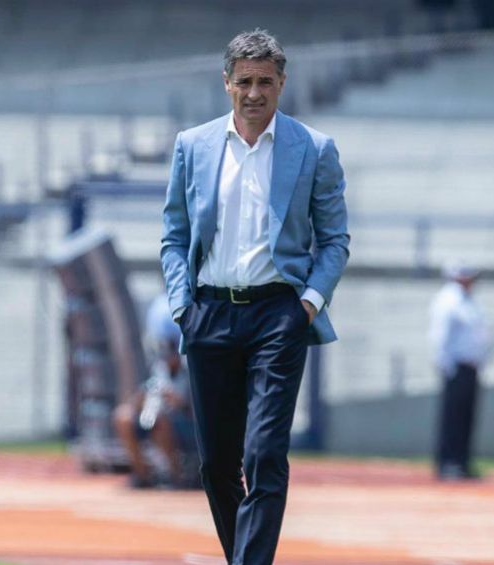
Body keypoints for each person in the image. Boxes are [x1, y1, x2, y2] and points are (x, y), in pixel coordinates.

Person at [160, 29, 349, 565]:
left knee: (264, 453)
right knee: (216, 464)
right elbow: (174, 235)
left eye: (266, 81)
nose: (254, 92)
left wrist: (308, 303)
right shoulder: (191, 147)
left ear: (282, 84)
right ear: (226, 84)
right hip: (209, 312)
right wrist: (182, 306)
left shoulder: (313, 149)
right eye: (244, 81)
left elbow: (334, 239)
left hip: (278, 315)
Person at [113, 293, 195, 489]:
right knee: (123, 417)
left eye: (171, 346)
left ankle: (176, 477)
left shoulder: (192, 366)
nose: (167, 352)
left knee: (161, 422)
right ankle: (142, 476)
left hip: (186, 424)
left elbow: (197, 407)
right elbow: (146, 393)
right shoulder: (158, 364)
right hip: (157, 418)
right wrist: (140, 401)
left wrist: (178, 401)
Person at [429, 263, 489, 480]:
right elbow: (440, 336)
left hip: (471, 367)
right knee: (452, 417)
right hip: (456, 367)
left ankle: (462, 462)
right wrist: (446, 365)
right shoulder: (449, 300)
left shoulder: (468, 301)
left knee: (466, 417)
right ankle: (448, 462)